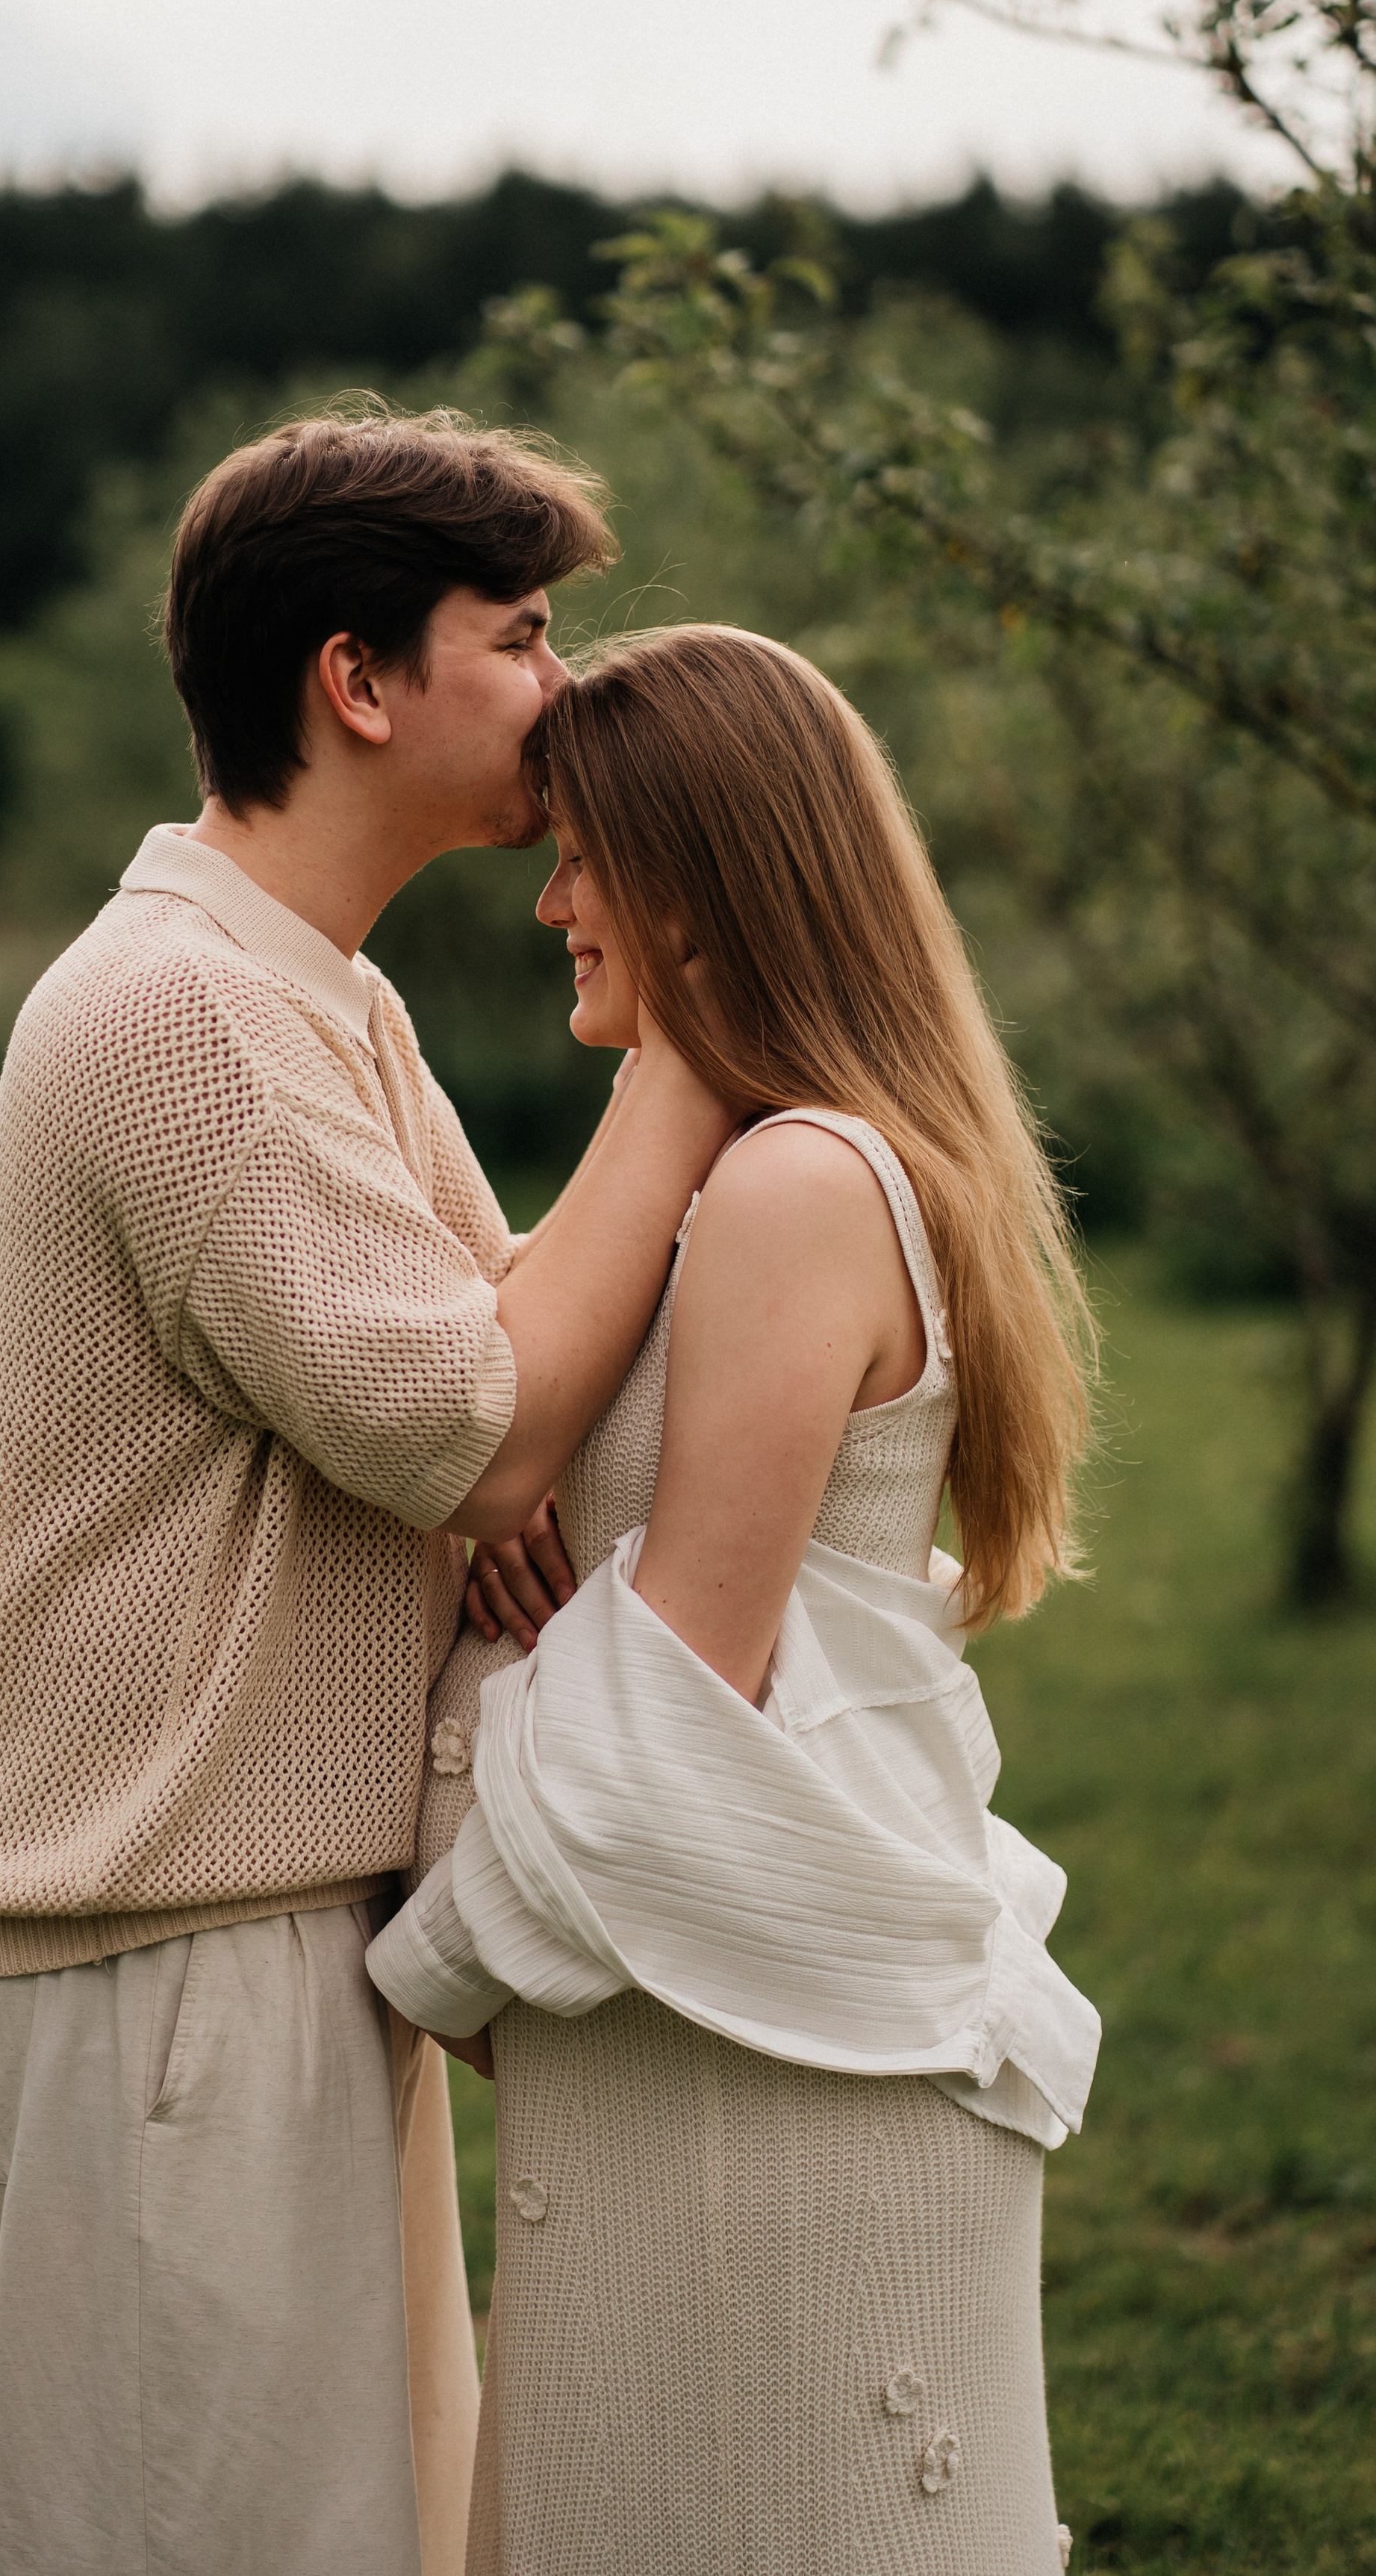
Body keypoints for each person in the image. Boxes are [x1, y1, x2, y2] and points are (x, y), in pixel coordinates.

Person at [0, 410, 732, 2576]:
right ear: (358, 679)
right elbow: (479, 1423)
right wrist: (704, 1048)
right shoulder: (179, 1020)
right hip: (156, 1935)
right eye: (522, 637)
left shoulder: (316, 1004)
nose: (565, 685)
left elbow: (494, 1349)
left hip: (260, 1918)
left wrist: (477, 1420)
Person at [370, 624, 1103, 2576]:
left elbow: (667, 1721)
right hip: (701, 2061)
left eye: (592, 856)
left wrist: (496, 1703)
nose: (552, 900)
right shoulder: (789, 1168)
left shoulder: (796, 1188)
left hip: (758, 2110)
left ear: (698, 876)